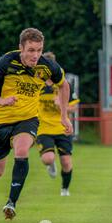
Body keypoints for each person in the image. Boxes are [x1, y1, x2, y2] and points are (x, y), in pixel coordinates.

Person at [0, 28, 73, 220]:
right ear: (21, 48)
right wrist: (1, 100)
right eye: (31, 50)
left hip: (27, 119)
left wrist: (64, 116)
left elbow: (64, 85)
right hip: (0, 121)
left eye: (38, 50)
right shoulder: (6, 61)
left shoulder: (47, 66)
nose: (35, 55)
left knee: (22, 151)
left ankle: (11, 203)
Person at [37, 52, 80, 196]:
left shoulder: (63, 84)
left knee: (67, 162)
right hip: (43, 128)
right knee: (47, 158)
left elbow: (74, 107)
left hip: (62, 128)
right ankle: (50, 164)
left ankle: (65, 189)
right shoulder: (37, 84)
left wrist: (62, 105)